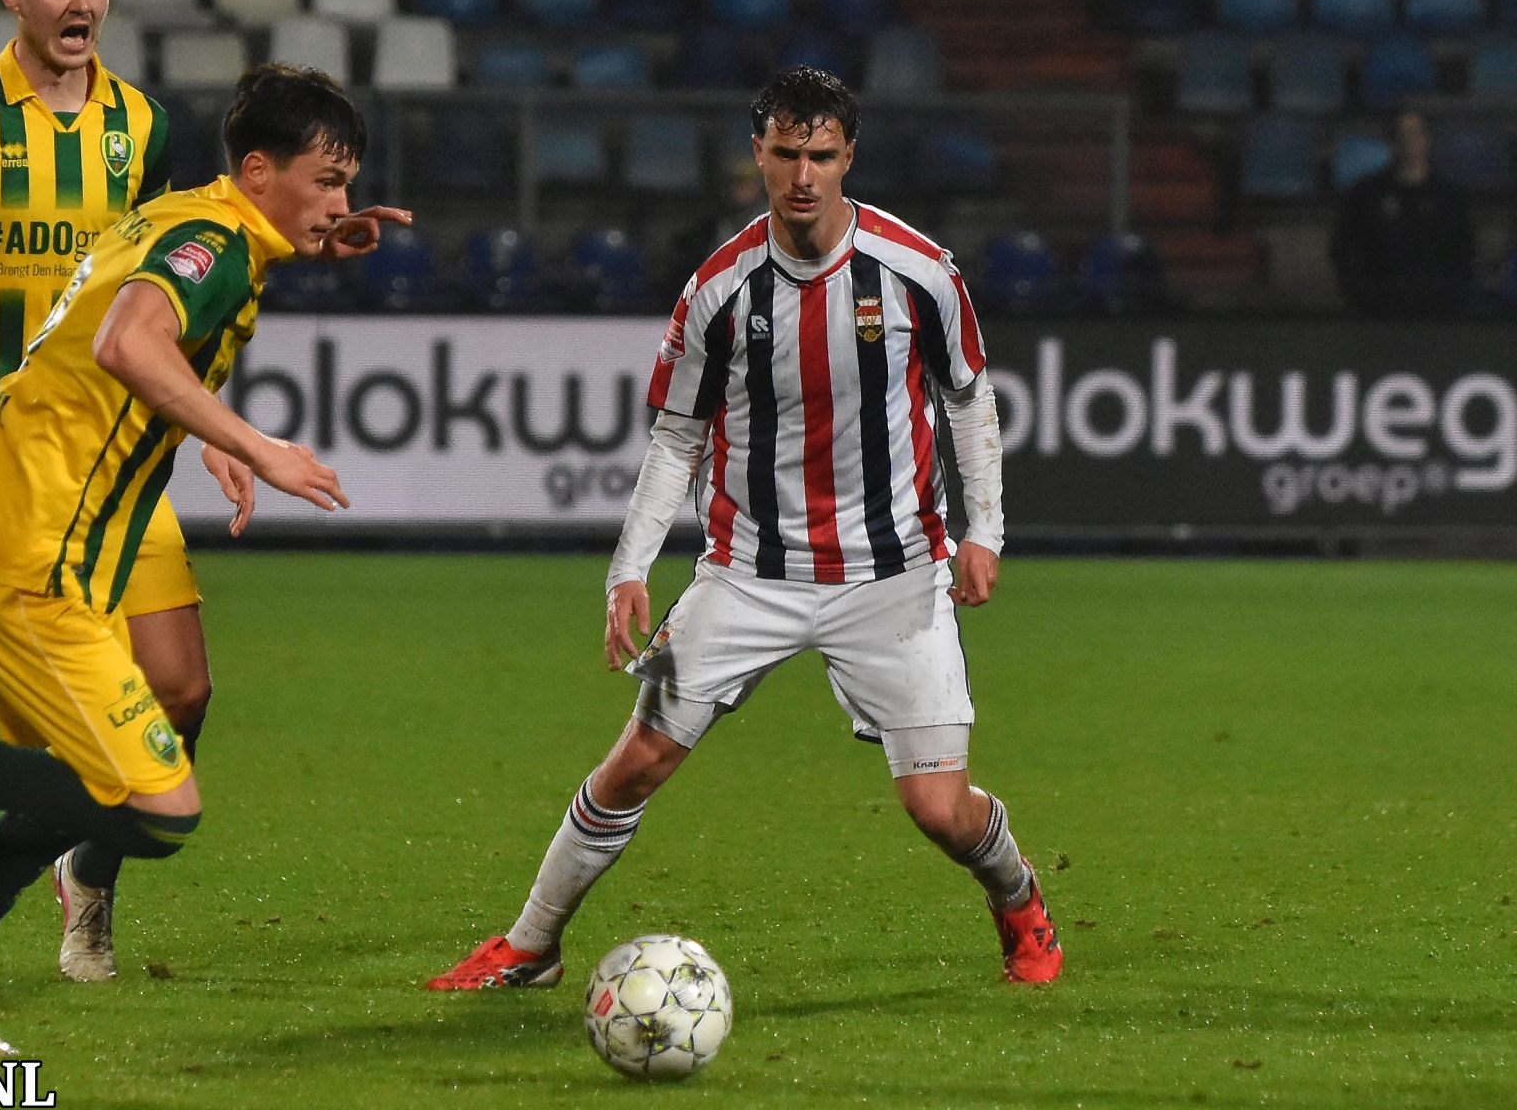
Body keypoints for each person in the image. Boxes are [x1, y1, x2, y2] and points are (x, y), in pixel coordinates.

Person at [0, 0, 400, 985]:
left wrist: (212, 423)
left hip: (109, 456)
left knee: (180, 691)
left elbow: (172, 271)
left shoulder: (135, 123)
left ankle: (87, 874)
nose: (80, 5)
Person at [427, 67, 1062, 993]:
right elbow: (677, 436)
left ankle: (1020, 902)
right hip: (748, 573)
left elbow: (969, 400)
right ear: (757, 153)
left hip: (892, 573)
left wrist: (986, 529)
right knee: (635, 761)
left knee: (937, 808)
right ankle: (530, 947)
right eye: (786, 153)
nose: (804, 175)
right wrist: (629, 569)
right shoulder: (720, 291)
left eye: (823, 155)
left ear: (850, 157)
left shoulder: (919, 269)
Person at [1330, 109, 1476, 317]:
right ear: (1392, 141)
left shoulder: (1449, 196)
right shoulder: (1364, 195)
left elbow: (1465, 251)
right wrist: (1358, 296)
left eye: (1417, 133)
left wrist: (1453, 297)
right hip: (1378, 313)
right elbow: (1344, 249)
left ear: (1428, 139)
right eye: (1403, 134)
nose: (1411, 141)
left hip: (1439, 314)